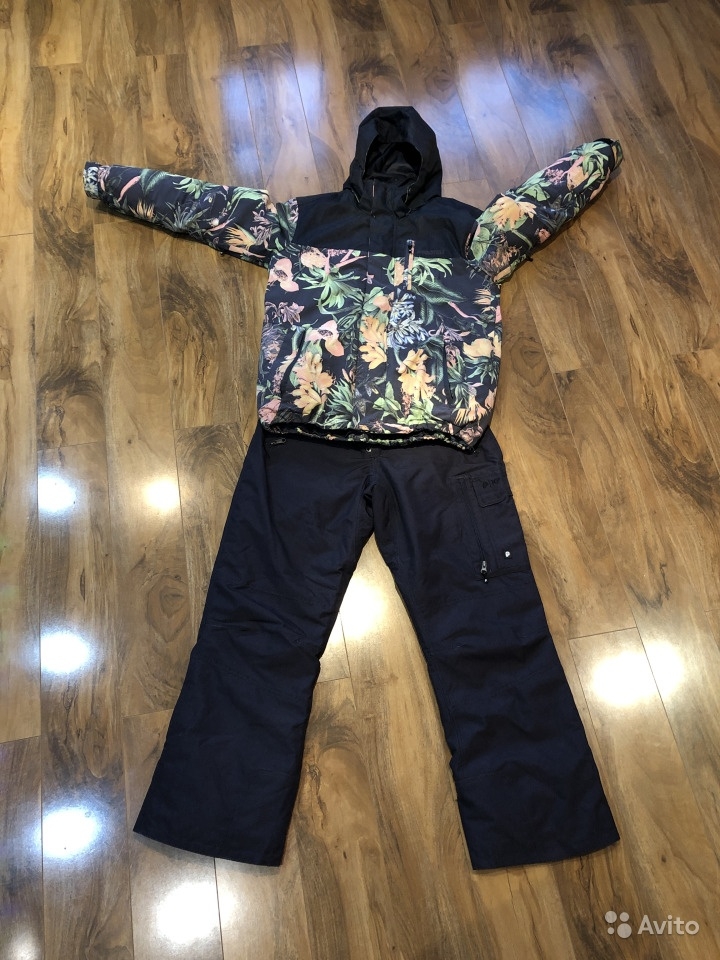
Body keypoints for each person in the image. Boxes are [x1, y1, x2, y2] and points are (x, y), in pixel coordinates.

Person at [84, 106, 623, 869]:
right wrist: (110, 182)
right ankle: (214, 815)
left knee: (490, 631)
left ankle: (543, 820)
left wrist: (599, 157)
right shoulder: (303, 223)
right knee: (257, 623)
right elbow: (205, 207)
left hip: (438, 455)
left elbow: (542, 201)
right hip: (307, 451)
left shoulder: (469, 234)